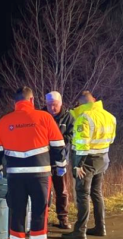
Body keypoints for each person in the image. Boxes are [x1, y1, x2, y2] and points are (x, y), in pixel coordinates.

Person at [0, 87, 67, 239]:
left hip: (15, 176)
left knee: (17, 211)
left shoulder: (4, 121)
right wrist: (61, 166)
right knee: (40, 211)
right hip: (40, 175)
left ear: (15, 103)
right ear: (32, 100)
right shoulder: (44, 117)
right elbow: (58, 145)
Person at [62, 91, 116, 239]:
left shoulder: (84, 118)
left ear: (80, 103)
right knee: (96, 193)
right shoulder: (110, 117)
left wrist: (78, 166)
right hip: (103, 159)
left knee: (82, 194)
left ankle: (80, 231)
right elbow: (111, 139)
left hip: (87, 161)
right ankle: (100, 227)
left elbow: (81, 146)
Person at [45, 91, 74, 230]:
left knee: (61, 190)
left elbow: (72, 134)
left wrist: (59, 141)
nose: (52, 108)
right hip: (43, 160)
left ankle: (63, 217)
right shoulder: (41, 116)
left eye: (55, 105)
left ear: (60, 103)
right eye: (49, 105)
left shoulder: (68, 117)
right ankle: (42, 219)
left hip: (60, 160)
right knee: (42, 191)